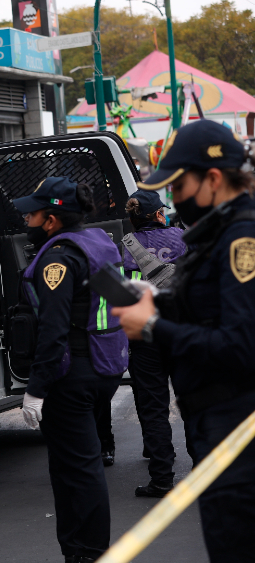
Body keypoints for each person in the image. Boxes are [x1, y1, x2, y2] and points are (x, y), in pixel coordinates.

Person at [112, 119, 255, 562]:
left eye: (178, 188)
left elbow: (242, 346)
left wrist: (154, 327)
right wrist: (158, 302)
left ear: (213, 179)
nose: (173, 200)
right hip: (218, 427)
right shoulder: (218, 232)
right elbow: (211, 309)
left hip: (236, 430)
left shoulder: (240, 239)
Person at [14, 177, 129, 563]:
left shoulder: (58, 258)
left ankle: (87, 554)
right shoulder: (98, 242)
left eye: (33, 211)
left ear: (52, 219)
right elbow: (119, 301)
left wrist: (36, 389)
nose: (26, 217)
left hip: (71, 377)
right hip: (103, 368)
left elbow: (53, 330)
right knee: (80, 466)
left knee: (76, 473)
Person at [121, 189, 186, 497]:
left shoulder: (125, 248)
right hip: (183, 331)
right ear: (160, 214)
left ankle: (161, 478)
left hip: (145, 335)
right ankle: (206, 473)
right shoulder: (182, 237)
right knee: (194, 404)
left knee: (154, 408)